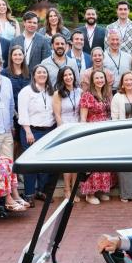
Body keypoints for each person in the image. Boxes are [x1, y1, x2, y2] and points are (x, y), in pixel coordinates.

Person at [18, 65, 56, 205]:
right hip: (32, 132)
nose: (42, 74)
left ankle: (41, 191)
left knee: (45, 164)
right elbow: (23, 113)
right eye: (39, 72)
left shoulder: (51, 91)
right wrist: (28, 131)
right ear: (33, 75)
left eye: (44, 72)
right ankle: (29, 194)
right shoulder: (26, 92)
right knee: (31, 165)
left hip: (49, 131)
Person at [111, 72, 132, 202]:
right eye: (126, 80)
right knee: (126, 165)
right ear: (122, 83)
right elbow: (114, 118)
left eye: (131, 80)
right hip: (123, 135)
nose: (129, 82)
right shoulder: (117, 97)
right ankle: (126, 194)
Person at [80, 69, 114, 204]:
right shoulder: (87, 95)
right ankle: (90, 194)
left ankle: (101, 189)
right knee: (93, 164)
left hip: (105, 133)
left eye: (102, 78)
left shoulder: (106, 95)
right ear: (92, 81)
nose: (100, 80)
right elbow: (83, 118)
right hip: (92, 132)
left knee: (104, 163)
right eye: (97, 78)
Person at [52, 66, 81, 200]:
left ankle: (75, 189)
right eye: (65, 75)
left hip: (79, 128)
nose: (68, 77)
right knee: (67, 162)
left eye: (70, 74)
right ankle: (67, 190)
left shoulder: (79, 91)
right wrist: (62, 130)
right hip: (65, 129)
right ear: (61, 78)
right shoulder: (58, 94)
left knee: (77, 162)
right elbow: (57, 115)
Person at [1, 45, 30, 150]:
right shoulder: (4, 73)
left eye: (20, 54)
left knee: (25, 141)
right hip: (12, 112)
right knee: (14, 142)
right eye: (15, 54)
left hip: (27, 112)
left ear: (24, 56)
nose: (18, 57)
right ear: (11, 57)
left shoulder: (29, 72)